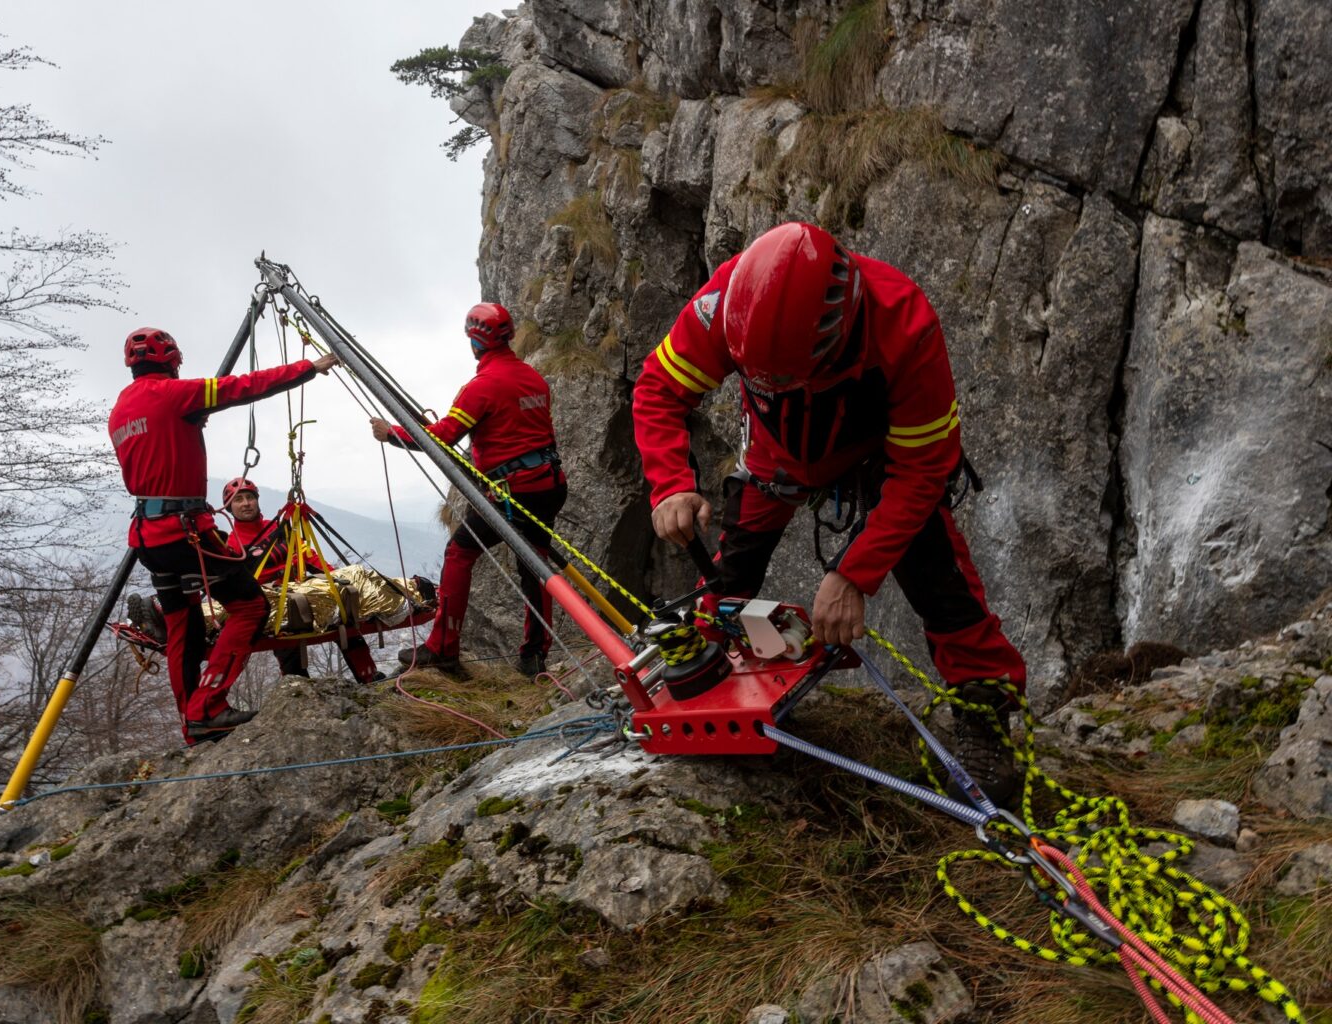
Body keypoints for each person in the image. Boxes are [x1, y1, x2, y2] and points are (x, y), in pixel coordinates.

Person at [632, 222, 1027, 804]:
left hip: (881, 460)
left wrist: (854, 573)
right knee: (728, 579)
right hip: (776, 454)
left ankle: (985, 715)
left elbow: (922, 471)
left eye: (788, 378)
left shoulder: (904, 325)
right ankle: (704, 681)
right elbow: (660, 389)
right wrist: (670, 485)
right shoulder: (726, 307)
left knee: (939, 577)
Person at [109, 327, 338, 743]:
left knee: (184, 625)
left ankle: (190, 722)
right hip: (185, 533)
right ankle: (208, 706)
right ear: (172, 361)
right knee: (250, 606)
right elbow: (242, 387)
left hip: (146, 536)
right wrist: (309, 368)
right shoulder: (173, 395)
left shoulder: (121, 410)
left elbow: (158, 451)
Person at [369, 303, 567, 677]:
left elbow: (442, 438)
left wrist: (392, 434)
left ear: (475, 340)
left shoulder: (482, 386)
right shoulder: (532, 377)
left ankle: (443, 646)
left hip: (514, 493)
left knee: (459, 553)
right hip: (549, 485)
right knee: (534, 565)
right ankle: (534, 655)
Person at [218, 476, 384, 683]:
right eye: (239, 499)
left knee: (341, 615)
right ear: (229, 507)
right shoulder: (231, 544)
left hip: (301, 586)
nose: (246, 503)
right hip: (270, 597)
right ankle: (297, 688)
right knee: (286, 636)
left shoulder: (278, 529)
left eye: (250, 498)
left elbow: (307, 555)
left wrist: (336, 578)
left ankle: (368, 676)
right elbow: (236, 580)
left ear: (257, 500)